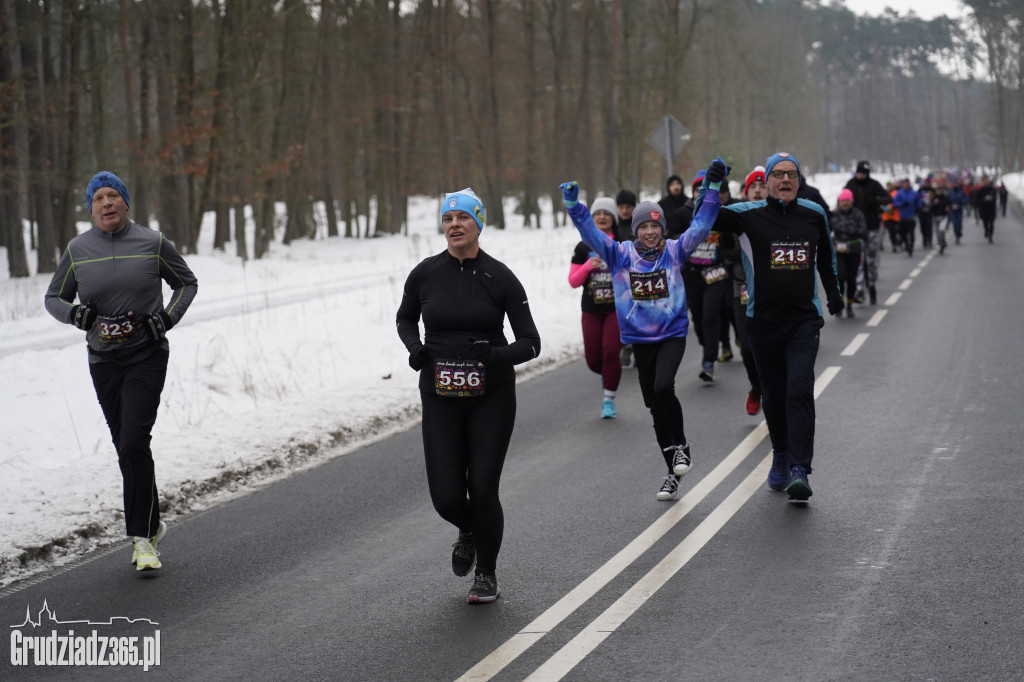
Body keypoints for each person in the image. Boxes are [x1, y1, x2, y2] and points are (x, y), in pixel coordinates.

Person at [44, 171, 198, 572]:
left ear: (126, 203)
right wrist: (75, 314)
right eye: (98, 198)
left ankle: (142, 540)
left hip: (147, 356)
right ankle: (151, 521)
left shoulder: (153, 242)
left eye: (114, 195)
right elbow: (53, 298)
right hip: (103, 361)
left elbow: (186, 283)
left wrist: (165, 320)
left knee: (133, 441)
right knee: (127, 447)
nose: (106, 203)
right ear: (91, 208)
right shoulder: (77, 249)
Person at [396, 188, 539, 605]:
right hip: (439, 396)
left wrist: (496, 355)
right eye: (447, 218)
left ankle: (487, 575)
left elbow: (531, 342)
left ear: (479, 223)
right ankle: (470, 531)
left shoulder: (501, 276)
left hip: (489, 397)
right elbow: (405, 318)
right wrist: (415, 347)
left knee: (483, 488)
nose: (454, 225)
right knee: (445, 496)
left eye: (462, 218)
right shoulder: (425, 273)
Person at [559, 157, 726, 502]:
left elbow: (703, 221)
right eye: (643, 228)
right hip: (639, 339)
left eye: (655, 226)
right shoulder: (619, 255)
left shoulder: (676, 251)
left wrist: (710, 189)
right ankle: (672, 473)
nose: (650, 233)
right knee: (653, 405)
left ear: (662, 228)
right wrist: (575, 208)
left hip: (672, 334)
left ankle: (681, 447)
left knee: (664, 387)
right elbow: (591, 233)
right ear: (635, 231)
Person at [708, 152, 843, 501]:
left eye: (792, 174)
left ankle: (800, 470)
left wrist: (834, 294)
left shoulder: (813, 214)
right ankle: (780, 453)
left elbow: (827, 256)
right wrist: (712, 184)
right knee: (774, 395)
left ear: (799, 180)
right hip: (763, 322)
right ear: (765, 181)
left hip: (803, 322)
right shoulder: (746, 215)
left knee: (799, 389)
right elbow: (704, 219)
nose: (785, 180)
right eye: (778, 175)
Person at [568, 196, 623, 419]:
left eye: (606, 213)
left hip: (615, 309)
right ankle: (607, 374)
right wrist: (588, 266)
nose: (601, 217)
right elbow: (573, 281)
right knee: (593, 360)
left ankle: (608, 400)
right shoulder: (583, 247)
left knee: (611, 352)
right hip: (590, 309)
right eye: (597, 213)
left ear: (613, 219)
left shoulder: (620, 244)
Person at [719, 166, 767, 415]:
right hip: (742, 289)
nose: (758, 191)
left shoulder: (777, 216)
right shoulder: (735, 217)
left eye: (762, 186)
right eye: (753, 188)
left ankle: (773, 394)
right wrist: (742, 253)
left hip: (771, 292)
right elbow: (722, 250)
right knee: (747, 348)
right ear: (746, 192)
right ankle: (756, 385)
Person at [844, 161, 891, 304]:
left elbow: (889, 198)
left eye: (863, 173)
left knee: (871, 260)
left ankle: (871, 285)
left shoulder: (874, 185)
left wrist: (876, 201)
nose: (860, 175)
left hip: (872, 227)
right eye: (859, 173)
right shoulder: (851, 184)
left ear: (867, 173)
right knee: (858, 260)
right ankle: (859, 289)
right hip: (856, 229)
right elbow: (842, 200)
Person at [831, 189, 868, 317]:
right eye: (843, 200)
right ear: (840, 202)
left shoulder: (858, 214)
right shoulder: (834, 214)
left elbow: (863, 230)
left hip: (854, 249)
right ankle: (840, 304)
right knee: (841, 276)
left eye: (847, 200)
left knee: (851, 278)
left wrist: (852, 230)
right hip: (839, 250)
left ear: (851, 201)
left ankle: (850, 305)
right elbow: (827, 229)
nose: (845, 203)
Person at [615, 189, 638, 368]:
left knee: (637, 312)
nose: (624, 211)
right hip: (618, 278)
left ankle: (637, 347)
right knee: (622, 313)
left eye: (628, 207)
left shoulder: (638, 226)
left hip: (637, 276)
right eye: (621, 207)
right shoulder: (613, 227)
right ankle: (626, 345)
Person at [892, 178, 922, 256]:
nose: (906, 185)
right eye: (904, 184)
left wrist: (918, 208)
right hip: (902, 217)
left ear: (909, 184)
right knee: (903, 233)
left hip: (911, 217)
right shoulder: (899, 193)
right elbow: (894, 204)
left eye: (907, 184)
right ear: (903, 184)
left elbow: (919, 203)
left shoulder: (914, 193)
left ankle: (911, 246)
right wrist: (902, 203)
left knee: (911, 233)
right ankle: (906, 245)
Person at [976, 176, 999, 243]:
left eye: (988, 181)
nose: (987, 182)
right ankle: (986, 230)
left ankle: (990, 237)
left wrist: (991, 199)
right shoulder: (981, 190)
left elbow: (995, 197)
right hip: (984, 209)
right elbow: (978, 199)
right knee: (985, 222)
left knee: (991, 223)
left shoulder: (993, 189)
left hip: (991, 209)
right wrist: (983, 200)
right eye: (985, 181)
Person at [929, 184, 951, 254]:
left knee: (941, 230)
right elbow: (930, 208)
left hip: (943, 216)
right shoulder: (934, 198)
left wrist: (948, 208)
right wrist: (934, 204)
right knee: (937, 232)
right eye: (937, 191)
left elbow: (949, 204)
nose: (939, 192)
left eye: (940, 190)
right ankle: (941, 244)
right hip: (935, 217)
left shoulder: (945, 197)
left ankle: (943, 241)